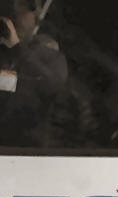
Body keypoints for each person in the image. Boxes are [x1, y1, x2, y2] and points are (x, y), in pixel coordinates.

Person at [0, 0, 67, 147]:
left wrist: (17, 48)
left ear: (36, 19)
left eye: (24, 9)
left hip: (29, 151)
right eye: (12, 9)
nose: (16, 15)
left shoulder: (50, 57)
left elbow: (52, 86)